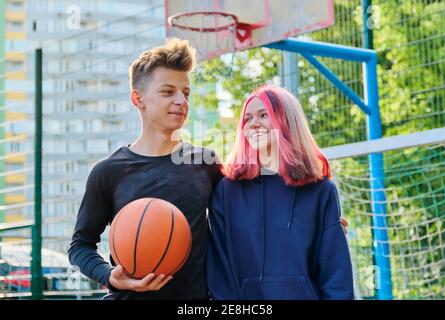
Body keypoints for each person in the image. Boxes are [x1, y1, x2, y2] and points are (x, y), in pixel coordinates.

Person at [68, 38, 222, 300]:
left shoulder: (206, 163)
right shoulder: (108, 171)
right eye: (167, 91)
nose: (181, 100)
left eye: (185, 93)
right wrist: (109, 275)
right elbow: (80, 245)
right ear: (138, 98)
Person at [206, 84, 354, 300]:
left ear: (287, 121)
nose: (253, 124)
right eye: (247, 118)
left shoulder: (321, 191)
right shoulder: (226, 192)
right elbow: (219, 271)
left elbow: (336, 274)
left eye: (263, 115)